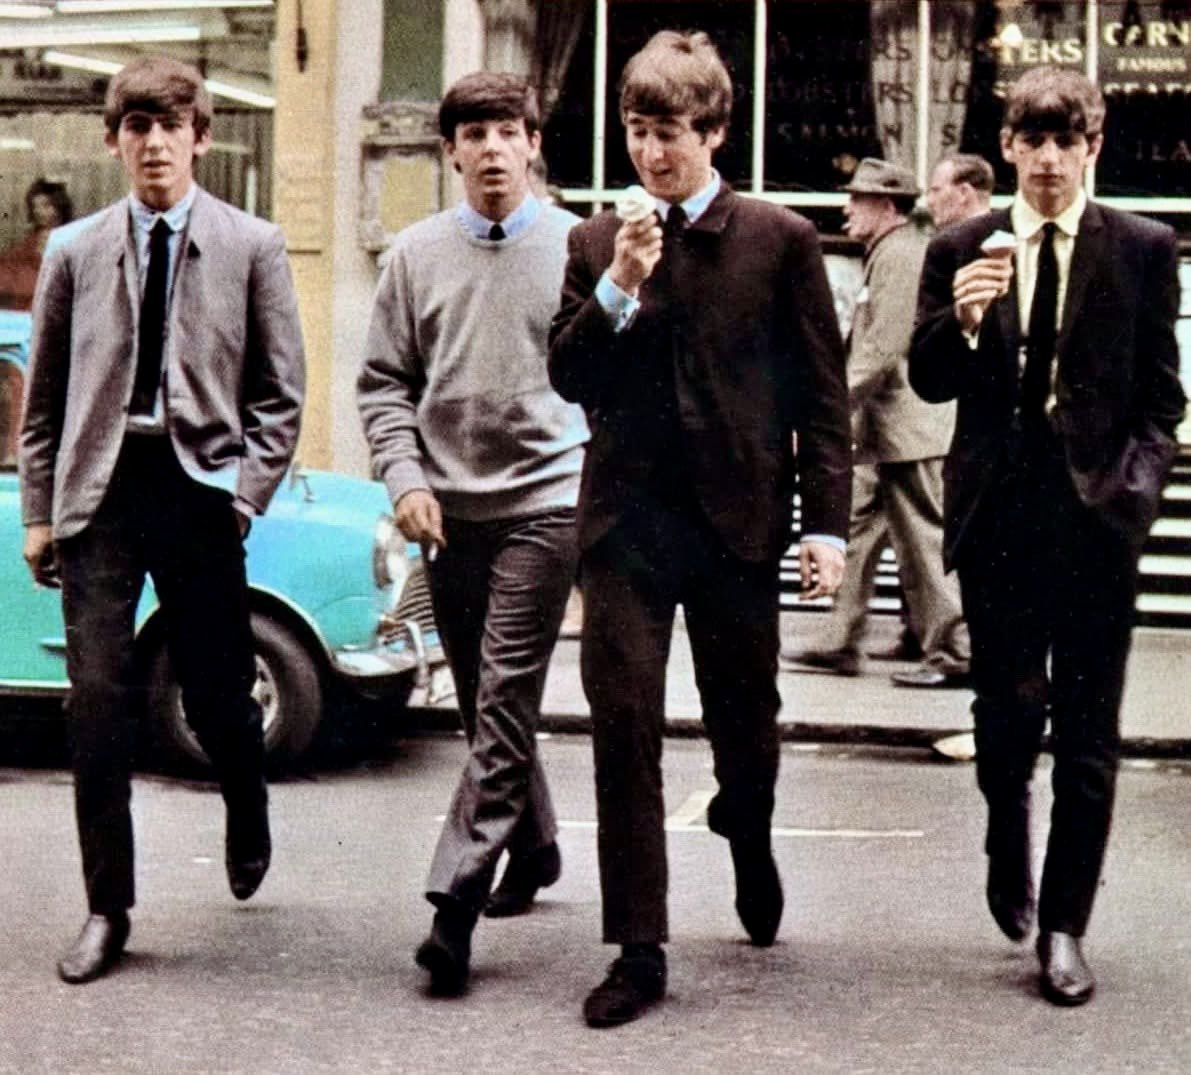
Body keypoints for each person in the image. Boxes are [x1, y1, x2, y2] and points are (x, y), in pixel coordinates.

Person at [549, 30, 850, 1028]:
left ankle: (749, 823)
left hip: (738, 526)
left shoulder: (780, 239)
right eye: (637, 132)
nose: (652, 154)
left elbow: (822, 398)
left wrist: (829, 528)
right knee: (623, 723)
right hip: (627, 527)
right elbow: (570, 377)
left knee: (744, 723)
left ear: (715, 130)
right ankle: (639, 947)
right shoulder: (596, 242)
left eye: (671, 133)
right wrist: (618, 285)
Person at [19, 56, 305, 985]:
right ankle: (109, 907)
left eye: (169, 126)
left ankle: (246, 796)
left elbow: (280, 395)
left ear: (201, 138)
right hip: (101, 492)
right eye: (135, 127)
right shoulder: (73, 251)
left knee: (220, 694)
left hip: (198, 492)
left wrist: (241, 494)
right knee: (96, 704)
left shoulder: (251, 244)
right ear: (114, 142)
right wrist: (39, 513)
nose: (153, 143)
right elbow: (46, 401)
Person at [910, 67, 1185, 1006]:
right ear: (1011, 147)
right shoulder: (960, 245)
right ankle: (1003, 829)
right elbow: (928, 379)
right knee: (1004, 718)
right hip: (999, 521)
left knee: (1088, 734)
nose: (1049, 162)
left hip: (1094, 525)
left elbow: (1161, 402)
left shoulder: (1142, 248)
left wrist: (1131, 500)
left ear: (1092, 148)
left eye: (1067, 143)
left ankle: (1065, 926)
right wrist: (966, 315)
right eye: (1033, 143)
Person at [357, 72, 587, 997]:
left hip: (548, 499)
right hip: (447, 513)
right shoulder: (412, 256)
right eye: (473, 134)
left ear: (533, 143)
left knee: (501, 698)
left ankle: (453, 906)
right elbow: (381, 384)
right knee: (482, 701)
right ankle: (533, 848)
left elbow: (618, 373)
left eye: (507, 131)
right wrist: (405, 477)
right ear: (449, 150)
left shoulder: (583, 246)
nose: (492, 148)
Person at [784, 158, 969, 689]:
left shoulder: (902, 255)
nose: (847, 207)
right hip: (884, 430)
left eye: (858, 199)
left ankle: (955, 651)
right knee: (857, 531)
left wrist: (830, 410)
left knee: (924, 540)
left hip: (908, 427)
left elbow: (885, 347)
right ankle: (841, 638)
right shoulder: (889, 251)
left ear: (886, 207)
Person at [0, 178, 74, 310]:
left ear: (59, 206)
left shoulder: (73, 237)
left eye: (46, 206)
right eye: (35, 206)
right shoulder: (32, 239)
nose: (39, 212)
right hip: (26, 308)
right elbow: (9, 262)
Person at [925, 153, 995, 232]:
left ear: (963, 193)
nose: (929, 201)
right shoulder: (1005, 237)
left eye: (936, 190)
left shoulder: (950, 242)